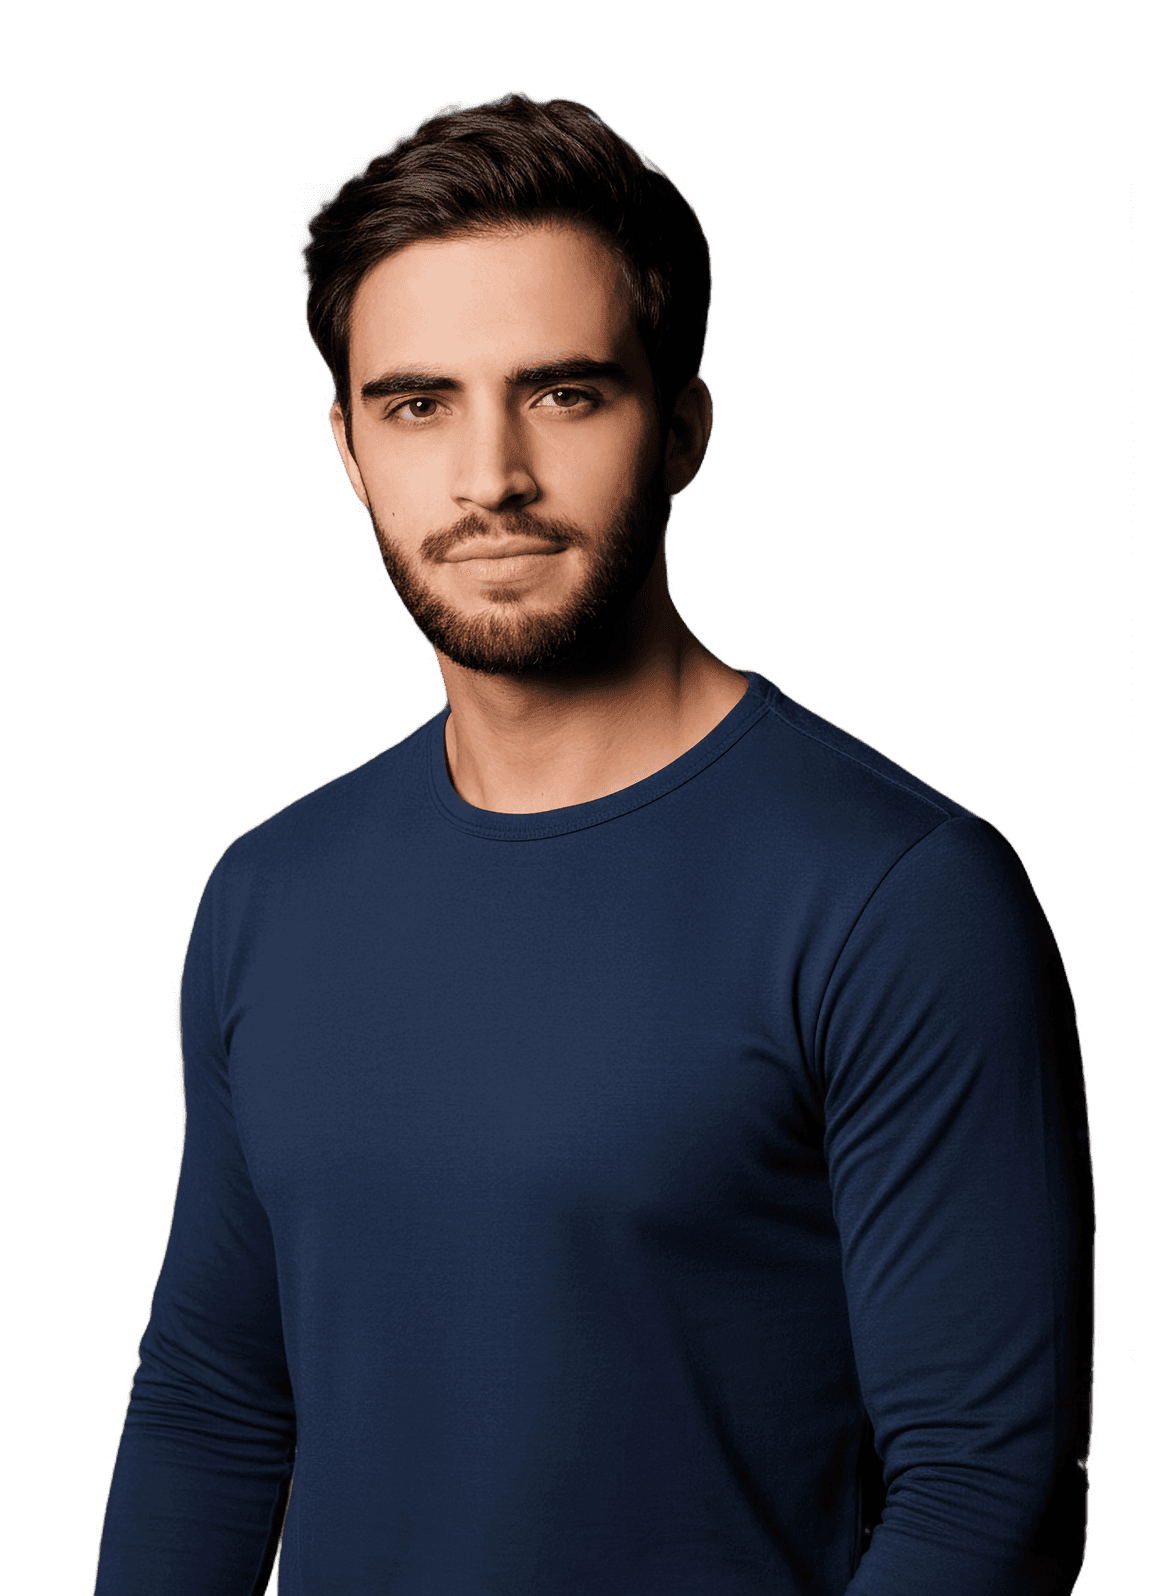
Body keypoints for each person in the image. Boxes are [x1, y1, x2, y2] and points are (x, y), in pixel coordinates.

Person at [93, 93, 1094, 1596]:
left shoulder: (898, 897)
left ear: (680, 430)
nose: (488, 474)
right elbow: (212, 1406)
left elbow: (983, 1495)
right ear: (350, 449)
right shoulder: (267, 894)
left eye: (563, 393)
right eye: (417, 404)